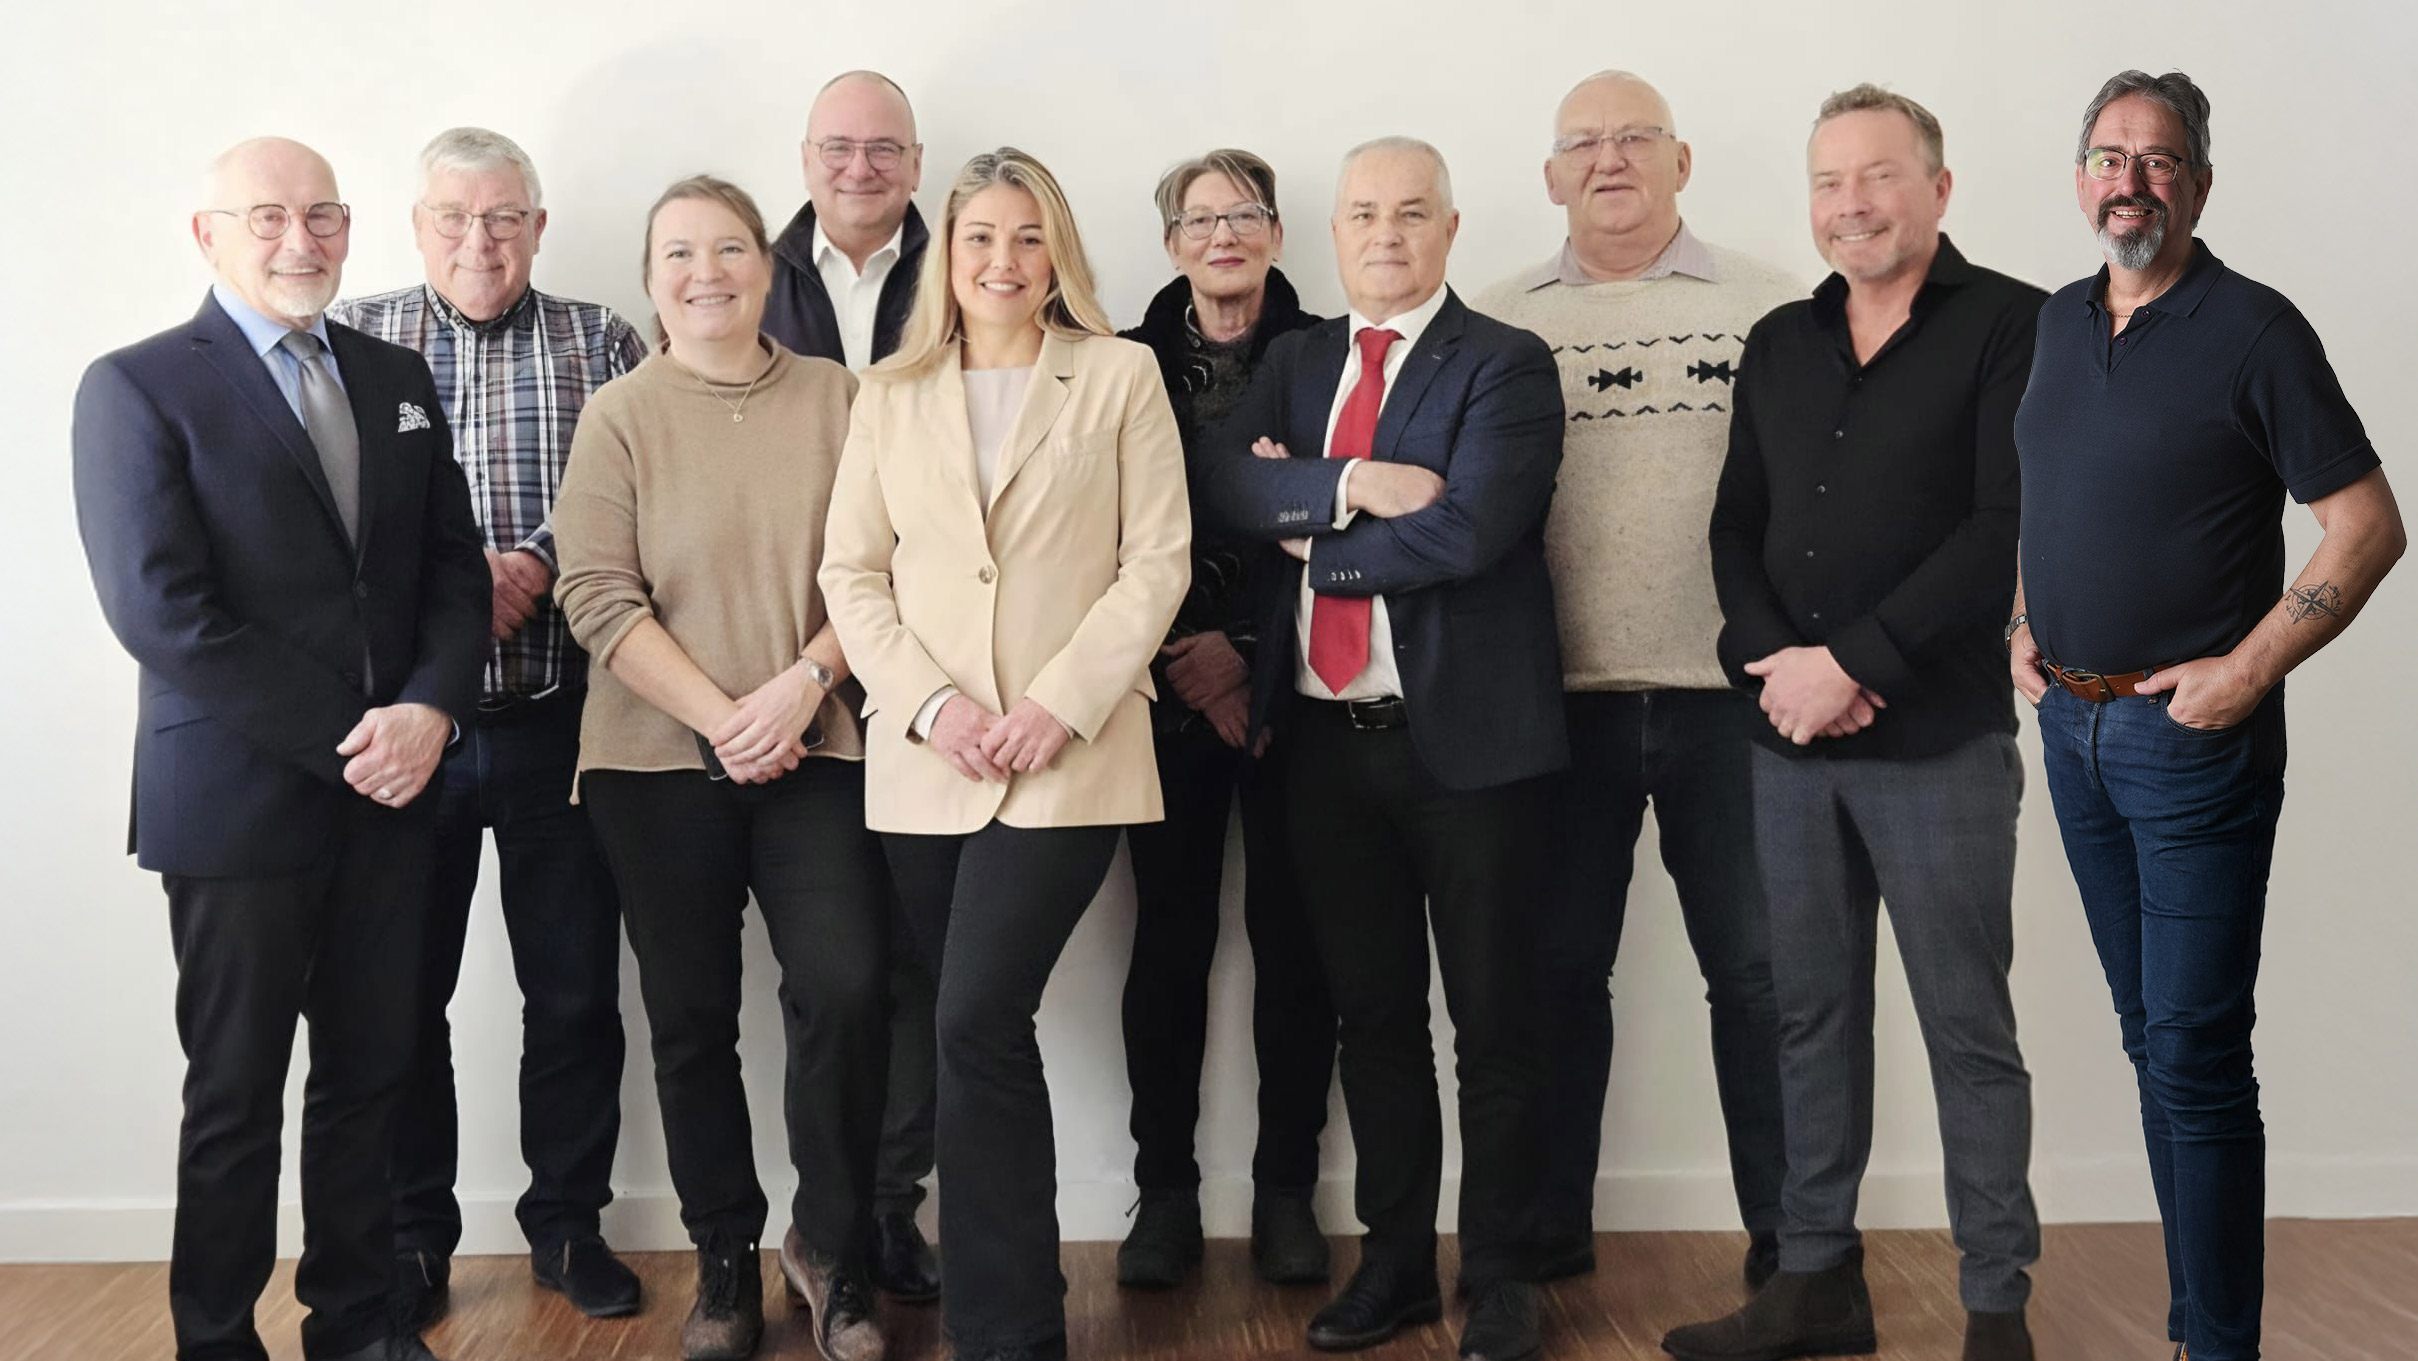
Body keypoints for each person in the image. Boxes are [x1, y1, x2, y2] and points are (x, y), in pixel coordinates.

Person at [70, 136, 488, 1361]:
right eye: (268, 216)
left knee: (371, 1076)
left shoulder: (395, 374)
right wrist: (357, 736)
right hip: (239, 802)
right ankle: (215, 1336)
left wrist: (431, 708)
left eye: (323, 215)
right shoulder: (137, 385)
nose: (300, 240)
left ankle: (357, 1323)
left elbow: (452, 569)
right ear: (209, 235)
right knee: (235, 1090)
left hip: (395, 794)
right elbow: (161, 610)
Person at [2011, 70, 2404, 1361]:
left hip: (2188, 746)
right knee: (2150, 1041)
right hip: (2071, 731)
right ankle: (2192, 1327)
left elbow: (2366, 525)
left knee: (2194, 1050)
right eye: (2108, 156)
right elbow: (2044, 491)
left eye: (2159, 158)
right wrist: (2021, 621)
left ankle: (2221, 1344)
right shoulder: (2058, 321)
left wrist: (2248, 668)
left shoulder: (2254, 329)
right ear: (2080, 178)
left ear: (2198, 184)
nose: (2129, 180)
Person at [1666, 85, 2047, 1361]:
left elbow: (2002, 527)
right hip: (1790, 741)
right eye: (1829, 182)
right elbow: (1735, 524)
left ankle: (1996, 1303)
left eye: (1879, 175)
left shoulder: (2016, 325)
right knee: (1809, 1016)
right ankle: (1816, 1279)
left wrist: (1855, 663)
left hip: (1939, 745)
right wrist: (1780, 667)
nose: (1852, 204)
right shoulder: (1780, 338)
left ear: (1939, 187)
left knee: (1966, 1026)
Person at [1190, 136, 1565, 1361]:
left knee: (1497, 1024)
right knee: (1375, 1020)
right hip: (1323, 750)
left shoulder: (1505, 361)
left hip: (1472, 752)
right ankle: (1397, 1263)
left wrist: (1310, 529)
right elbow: (1225, 488)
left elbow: (1470, 531)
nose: (1387, 234)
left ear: (1450, 229)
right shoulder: (1295, 362)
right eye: (1364, 214)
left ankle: (1502, 1274)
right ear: (1335, 233)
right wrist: (1356, 480)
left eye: (1411, 212)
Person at [819, 147, 1191, 1361]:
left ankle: (1008, 1333)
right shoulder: (890, 392)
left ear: (1057, 253)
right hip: (930, 763)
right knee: (977, 1029)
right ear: (948, 254)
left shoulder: (1121, 374)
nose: (1003, 259)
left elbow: (1156, 563)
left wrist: (1058, 705)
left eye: (1028, 237)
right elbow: (852, 574)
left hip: (1071, 753)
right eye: (980, 236)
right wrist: (931, 706)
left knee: (975, 1015)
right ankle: (1007, 1313)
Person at [1472, 70, 1799, 1289]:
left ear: (1682, 161)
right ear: (1552, 175)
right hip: (1554, 707)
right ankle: (1550, 1227)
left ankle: (1794, 1241)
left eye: (1635, 138)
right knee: (1556, 976)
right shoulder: (1498, 322)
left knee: (1760, 977)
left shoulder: (1778, 306)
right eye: (1584, 143)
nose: (1609, 160)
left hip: (1737, 701)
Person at [554, 176, 888, 1361]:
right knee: (691, 1016)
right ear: (651, 280)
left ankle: (832, 1246)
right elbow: (597, 592)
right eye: (680, 254)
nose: (708, 272)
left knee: (846, 988)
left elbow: (887, 566)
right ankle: (724, 1257)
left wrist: (800, 686)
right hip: (654, 760)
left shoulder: (842, 397)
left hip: (819, 742)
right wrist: (724, 718)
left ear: (767, 265)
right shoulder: (619, 415)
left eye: (730, 248)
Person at [327, 126, 647, 1328]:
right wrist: (465, 581)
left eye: (504, 216)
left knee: (573, 995)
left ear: (538, 227)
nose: (480, 240)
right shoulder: (353, 338)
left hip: (561, 716)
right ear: (418, 228)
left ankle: (567, 1224)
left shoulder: (603, 340)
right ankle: (415, 1235)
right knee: (403, 999)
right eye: (455, 218)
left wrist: (542, 561)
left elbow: (639, 491)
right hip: (411, 729)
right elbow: (326, 521)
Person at [1110, 147, 1336, 1292]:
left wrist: (1247, 650)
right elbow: (1093, 532)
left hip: (1299, 694)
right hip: (1160, 696)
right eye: (1200, 220)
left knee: (1298, 945)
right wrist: (1187, 659)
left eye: (1245, 214)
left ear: (1277, 233)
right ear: (1171, 245)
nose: (1224, 236)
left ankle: (1286, 1191)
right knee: (1169, 944)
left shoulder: (1333, 355)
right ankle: (1164, 1192)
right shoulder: (1121, 363)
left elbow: (1350, 521)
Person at [758, 67, 944, 1302]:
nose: (860, 167)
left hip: (939, 670)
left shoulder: (967, 264)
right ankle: (822, 1218)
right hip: (803, 675)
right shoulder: (748, 273)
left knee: (923, 963)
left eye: (884, 148)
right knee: (832, 973)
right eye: (838, 146)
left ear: (916, 163)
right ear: (807, 158)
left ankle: (890, 1209)